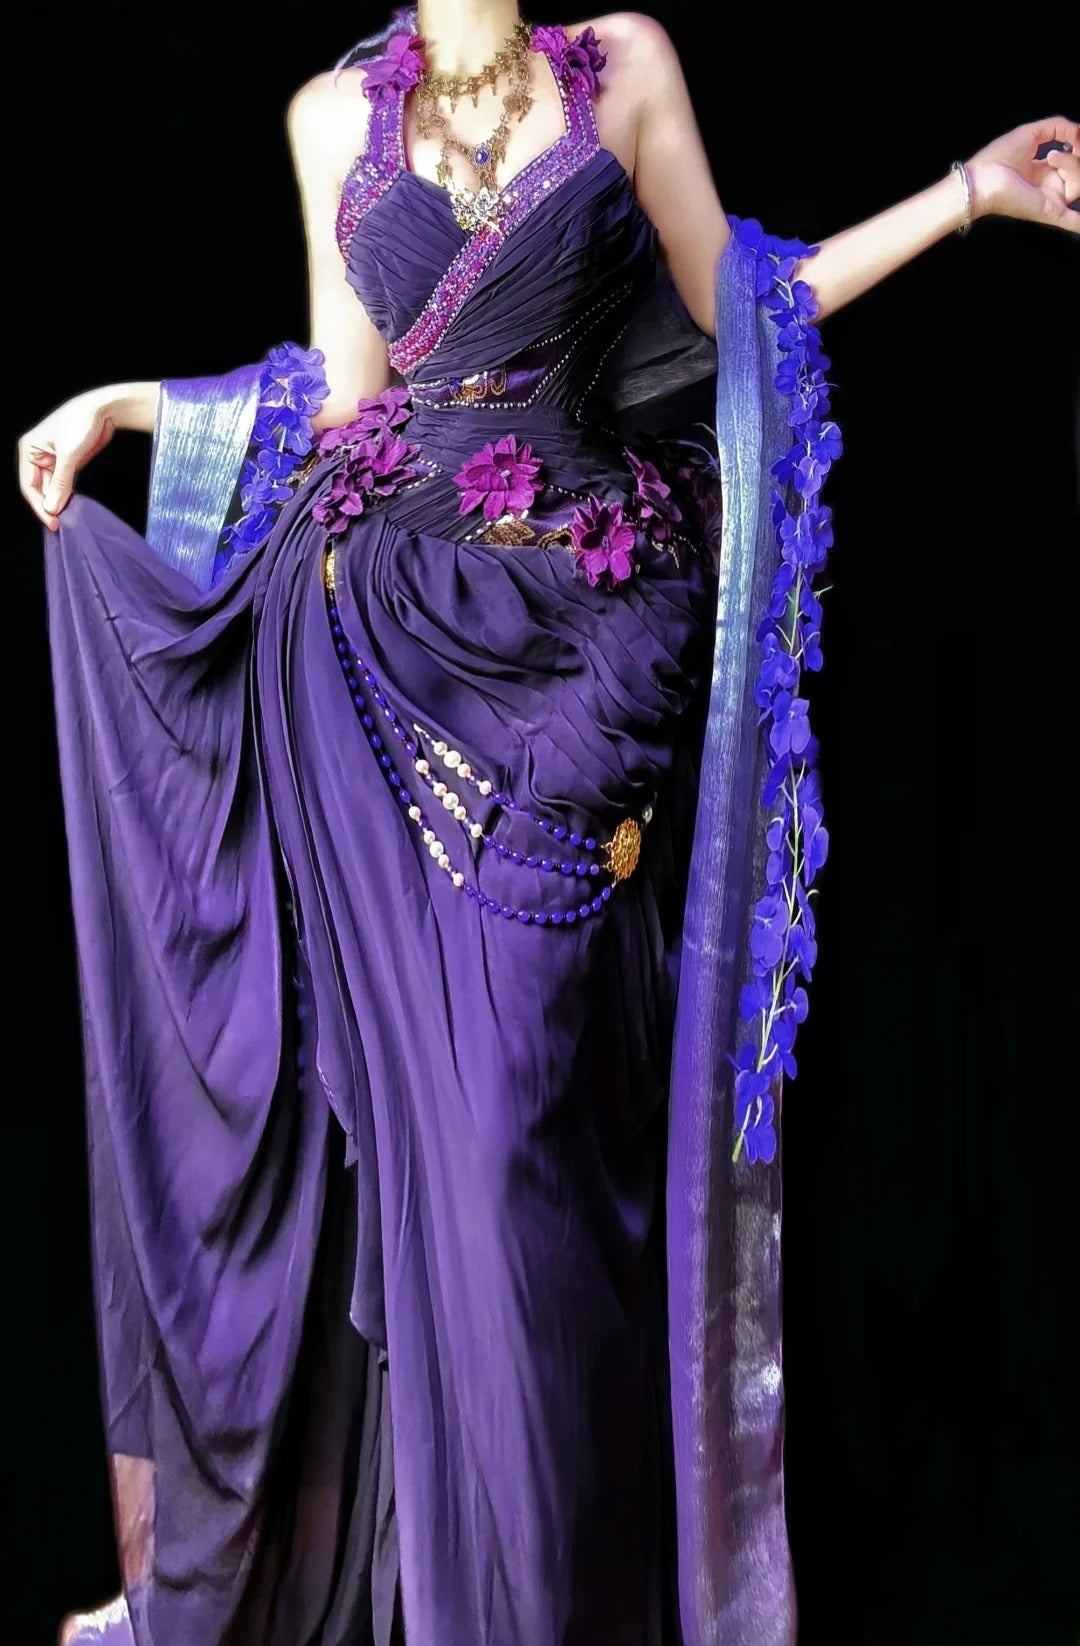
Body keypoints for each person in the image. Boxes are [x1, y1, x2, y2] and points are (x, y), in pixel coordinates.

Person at [19, 4, 1078, 1643]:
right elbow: (343, 405)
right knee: (450, 1165)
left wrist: (965, 196)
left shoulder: (627, 64)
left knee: (521, 1147)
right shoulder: (327, 120)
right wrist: (128, 403)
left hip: (578, 676)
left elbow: (750, 308)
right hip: (376, 675)